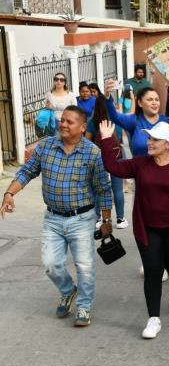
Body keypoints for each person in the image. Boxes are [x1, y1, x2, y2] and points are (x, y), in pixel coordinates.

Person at [1, 106, 112, 327]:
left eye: (69, 122)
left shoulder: (92, 152)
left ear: (82, 127)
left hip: (82, 218)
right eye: (62, 120)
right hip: (52, 218)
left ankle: (84, 306)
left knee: (85, 265)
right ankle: (68, 290)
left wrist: (106, 220)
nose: (63, 124)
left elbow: (102, 188)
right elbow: (27, 171)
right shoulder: (46, 146)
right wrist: (9, 193)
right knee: (51, 264)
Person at [98, 120, 169, 339]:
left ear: (168, 143)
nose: (149, 142)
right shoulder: (140, 164)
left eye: (155, 139)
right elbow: (113, 167)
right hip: (148, 229)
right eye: (149, 138)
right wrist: (107, 139)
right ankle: (153, 319)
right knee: (153, 271)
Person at [103, 82, 169, 157]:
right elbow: (114, 116)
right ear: (140, 103)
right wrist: (107, 95)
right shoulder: (134, 121)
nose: (154, 102)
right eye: (150, 100)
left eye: (157, 99)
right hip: (140, 172)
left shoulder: (168, 121)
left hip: (166, 172)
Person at [85, 94, 128, 230]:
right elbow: (120, 138)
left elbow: (87, 141)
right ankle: (120, 219)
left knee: (99, 190)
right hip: (117, 156)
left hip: (99, 158)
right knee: (118, 189)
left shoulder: (92, 122)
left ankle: (99, 218)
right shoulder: (115, 121)